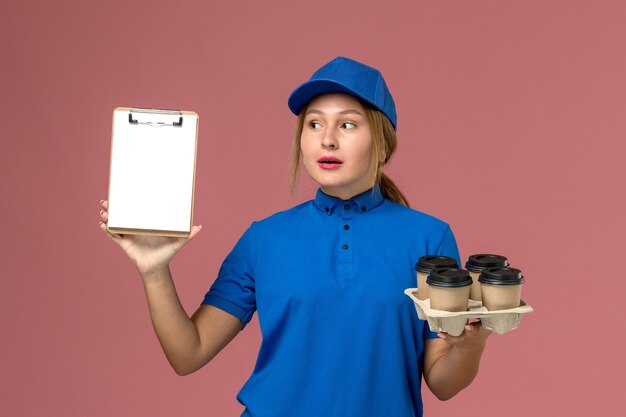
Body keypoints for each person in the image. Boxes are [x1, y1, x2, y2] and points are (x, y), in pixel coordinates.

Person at [99, 56, 491, 417]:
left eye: (348, 124)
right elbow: (188, 354)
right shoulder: (264, 238)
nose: (328, 139)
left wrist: (471, 344)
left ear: (382, 140)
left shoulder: (430, 238)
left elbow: (442, 383)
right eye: (314, 123)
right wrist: (154, 271)